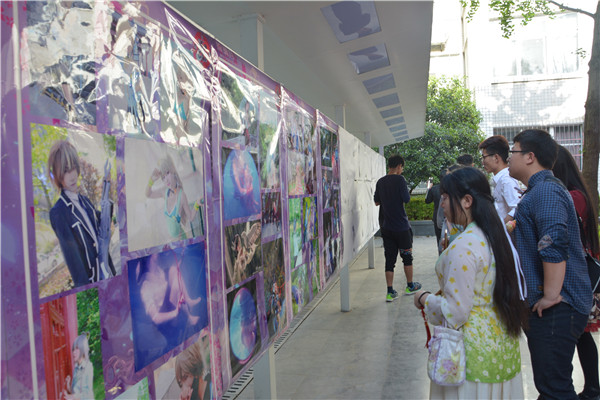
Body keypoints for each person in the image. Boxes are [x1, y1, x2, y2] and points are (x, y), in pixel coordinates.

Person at [414, 167, 529, 399]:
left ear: (467, 201)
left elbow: (456, 312)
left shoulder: (464, 246)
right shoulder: (495, 236)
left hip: (471, 355)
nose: (441, 204)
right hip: (502, 346)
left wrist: (424, 298)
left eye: (445, 197)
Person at [508, 129, 592, 399]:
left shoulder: (545, 191)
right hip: (555, 305)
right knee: (551, 386)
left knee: (555, 389)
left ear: (530, 156)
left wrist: (551, 295)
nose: (509, 157)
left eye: (513, 151)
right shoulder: (540, 190)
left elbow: (553, 242)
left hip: (558, 306)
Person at [552, 145, 600, 400]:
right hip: (576, 273)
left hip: (578, 275)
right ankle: (590, 389)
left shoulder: (573, 197)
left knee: (577, 333)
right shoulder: (575, 193)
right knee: (580, 334)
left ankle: (588, 388)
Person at [48, 140, 116, 288]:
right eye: (66, 170)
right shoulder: (59, 213)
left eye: (74, 168)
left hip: (109, 273)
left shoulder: (84, 201)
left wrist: (107, 186)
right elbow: (75, 264)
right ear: (58, 174)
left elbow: (102, 223)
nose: (72, 176)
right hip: (94, 283)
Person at [374, 155, 422, 301]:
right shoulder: (400, 180)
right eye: (402, 167)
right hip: (401, 227)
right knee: (407, 257)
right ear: (399, 166)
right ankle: (410, 286)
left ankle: (390, 292)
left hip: (386, 227)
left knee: (390, 260)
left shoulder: (380, 181)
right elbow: (406, 199)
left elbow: (376, 202)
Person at [146, 155, 200, 241]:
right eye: (163, 178)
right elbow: (148, 194)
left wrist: (197, 204)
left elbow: (190, 217)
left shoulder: (181, 195)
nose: (166, 180)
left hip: (181, 241)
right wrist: (151, 180)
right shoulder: (165, 192)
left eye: (167, 173)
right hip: (171, 243)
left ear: (173, 171)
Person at [478, 135, 522, 223]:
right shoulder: (500, 180)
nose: (482, 162)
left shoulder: (506, 180)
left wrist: (501, 227)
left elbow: (517, 208)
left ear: (496, 158)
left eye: (484, 157)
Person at [63, 334, 94, 400]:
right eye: (73, 349)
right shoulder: (76, 368)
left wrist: (73, 397)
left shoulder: (88, 367)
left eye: (77, 349)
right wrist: (68, 385)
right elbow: (75, 392)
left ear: (83, 349)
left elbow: (88, 394)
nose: (74, 352)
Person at [425, 169, 445, 247]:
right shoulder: (453, 188)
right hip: (450, 218)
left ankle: (441, 253)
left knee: (439, 239)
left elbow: (427, 200)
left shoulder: (434, 189)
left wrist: (428, 188)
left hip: (437, 218)